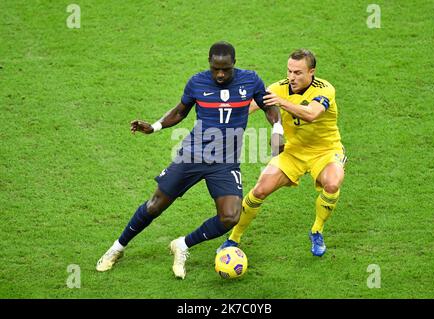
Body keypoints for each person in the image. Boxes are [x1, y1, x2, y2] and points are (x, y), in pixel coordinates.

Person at [96, 41, 282, 279]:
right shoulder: (197, 82)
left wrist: (277, 128)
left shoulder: (251, 80)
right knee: (155, 205)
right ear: (210, 64)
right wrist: (153, 127)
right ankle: (117, 248)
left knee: (230, 217)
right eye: (216, 69)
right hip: (192, 154)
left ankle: (182, 245)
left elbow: (270, 107)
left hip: (225, 162)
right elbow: (179, 112)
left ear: (234, 64)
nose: (221, 74)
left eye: (226, 69)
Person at [218, 49, 347, 257]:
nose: (291, 77)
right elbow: (247, 107)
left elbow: (312, 114)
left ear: (311, 72)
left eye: (298, 73)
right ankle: (233, 238)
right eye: (289, 71)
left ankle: (316, 231)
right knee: (260, 190)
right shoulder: (277, 88)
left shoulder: (325, 89)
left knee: (332, 183)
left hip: (325, 151)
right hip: (292, 152)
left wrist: (281, 102)